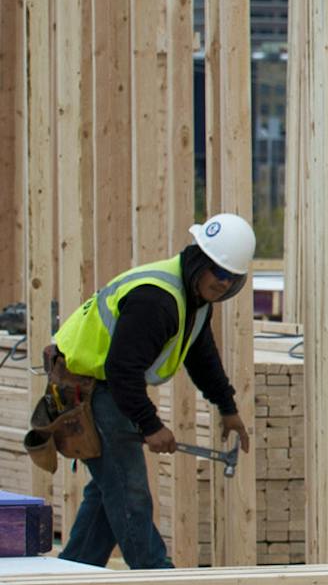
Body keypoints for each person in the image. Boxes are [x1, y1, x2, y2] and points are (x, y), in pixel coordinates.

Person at [51, 214, 257, 569]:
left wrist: (227, 407)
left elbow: (201, 355)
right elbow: (121, 371)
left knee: (109, 490)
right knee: (129, 492)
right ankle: (157, 575)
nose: (224, 282)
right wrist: (151, 425)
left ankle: (73, 571)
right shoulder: (156, 299)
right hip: (88, 386)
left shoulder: (194, 299)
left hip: (106, 385)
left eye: (232, 277)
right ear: (199, 262)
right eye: (218, 272)